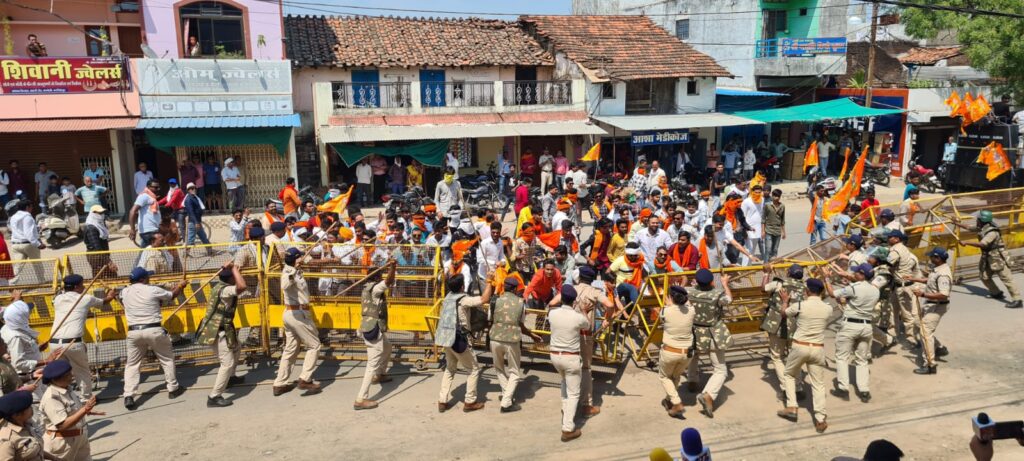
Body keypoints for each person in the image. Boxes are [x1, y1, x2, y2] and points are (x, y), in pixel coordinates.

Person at [119, 267, 187, 409]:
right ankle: (173, 388)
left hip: (134, 332)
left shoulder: (124, 292)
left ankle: (128, 395)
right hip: (153, 329)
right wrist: (180, 285)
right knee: (166, 359)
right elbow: (172, 295)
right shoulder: (152, 289)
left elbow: (125, 302)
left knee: (132, 364)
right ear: (143, 279)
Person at [776, 278, 831, 433]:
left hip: (800, 346)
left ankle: (792, 407)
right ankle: (820, 419)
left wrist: (785, 301)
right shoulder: (828, 308)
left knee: (789, 374)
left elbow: (784, 313)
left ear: (807, 291)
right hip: (818, 348)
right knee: (818, 384)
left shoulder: (799, 305)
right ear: (821, 292)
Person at [51, 273, 115, 399]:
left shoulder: (57, 299)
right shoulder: (85, 299)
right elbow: (104, 302)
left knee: (59, 373)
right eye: (81, 285)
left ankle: (62, 398)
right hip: (73, 342)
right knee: (82, 371)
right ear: (76, 287)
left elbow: (58, 294)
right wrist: (111, 295)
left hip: (54, 342)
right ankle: (86, 399)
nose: (84, 286)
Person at [435, 273, 492, 413]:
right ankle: (470, 401)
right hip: (459, 340)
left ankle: (442, 400)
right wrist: (489, 281)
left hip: (446, 339)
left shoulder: (447, 297)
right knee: (473, 370)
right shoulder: (463, 300)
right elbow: (484, 299)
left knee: (450, 368)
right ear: (462, 286)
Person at [825, 263, 880, 402]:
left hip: (850, 325)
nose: (854, 274)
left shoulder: (854, 288)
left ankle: (843, 388)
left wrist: (826, 279)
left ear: (861, 274)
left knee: (842, 357)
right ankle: (864, 390)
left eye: (857, 272)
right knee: (862, 360)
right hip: (866, 326)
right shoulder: (875, 290)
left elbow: (832, 293)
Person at [272, 248, 323, 396]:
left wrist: (297, 268)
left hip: (292, 314)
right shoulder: (288, 272)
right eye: (300, 257)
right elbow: (285, 286)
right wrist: (294, 271)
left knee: (291, 349)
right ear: (296, 259)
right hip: (297, 314)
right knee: (315, 345)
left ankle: (280, 383)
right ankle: (305, 379)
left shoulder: (296, 270)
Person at [686, 269, 734, 418]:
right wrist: (725, 284)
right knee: (720, 369)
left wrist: (694, 287)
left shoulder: (689, 292)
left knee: (694, 356)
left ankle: (692, 380)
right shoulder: (718, 293)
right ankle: (708, 395)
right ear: (711, 282)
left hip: (695, 332)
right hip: (713, 333)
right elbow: (729, 299)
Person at [490, 278, 542, 413]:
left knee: (499, 368)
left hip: (495, 338)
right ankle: (506, 402)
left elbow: (490, 319)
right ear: (515, 289)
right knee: (514, 372)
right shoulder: (521, 303)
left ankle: (507, 394)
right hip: (512, 340)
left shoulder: (494, 300)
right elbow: (521, 324)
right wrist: (532, 335)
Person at [953, 210, 1023, 308]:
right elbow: (969, 228)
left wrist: (967, 243)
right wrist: (957, 224)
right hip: (987, 257)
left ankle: (1017, 300)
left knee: (1006, 278)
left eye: (978, 219)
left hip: (997, 258)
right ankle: (996, 292)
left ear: (983, 220)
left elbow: (983, 244)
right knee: (984, 276)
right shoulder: (982, 228)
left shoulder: (992, 232)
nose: (976, 221)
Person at [547, 285, 589, 442]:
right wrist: (583, 309)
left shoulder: (553, 314)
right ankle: (568, 428)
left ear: (561, 298)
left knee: (564, 384)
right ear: (574, 301)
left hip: (555, 356)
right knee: (573, 393)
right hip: (570, 358)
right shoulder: (577, 317)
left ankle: (566, 411)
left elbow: (551, 307)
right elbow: (587, 325)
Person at [40, 360, 102, 460]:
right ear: (55, 379)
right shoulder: (51, 397)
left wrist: (87, 411)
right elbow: (62, 425)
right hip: (62, 443)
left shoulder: (67, 389)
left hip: (79, 437)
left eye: (70, 372)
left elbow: (72, 409)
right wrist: (85, 410)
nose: (72, 376)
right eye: (67, 375)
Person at [761, 264, 806, 400]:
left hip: (776, 324)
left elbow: (763, 288)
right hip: (797, 326)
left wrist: (765, 273)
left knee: (777, 357)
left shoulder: (779, 284)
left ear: (788, 272)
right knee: (794, 358)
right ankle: (797, 387)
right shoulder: (805, 288)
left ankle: (787, 388)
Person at [354, 264, 395, 410]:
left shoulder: (366, 286)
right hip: (373, 328)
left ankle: (380, 374)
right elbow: (389, 281)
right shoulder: (376, 289)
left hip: (369, 325)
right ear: (377, 277)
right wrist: (393, 267)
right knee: (372, 363)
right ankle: (361, 398)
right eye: (381, 276)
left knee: (387, 347)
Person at [909, 247, 952, 375]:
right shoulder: (938, 269)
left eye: (932, 257)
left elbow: (944, 294)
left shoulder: (943, 274)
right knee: (917, 323)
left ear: (937, 258)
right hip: (931, 305)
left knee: (925, 334)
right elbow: (931, 280)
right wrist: (914, 279)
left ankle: (929, 365)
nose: (930, 259)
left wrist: (922, 294)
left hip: (937, 306)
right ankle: (939, 348)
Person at [657, 285, 694, 419]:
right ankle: (669, 400)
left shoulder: (665, 311)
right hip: (687, 353)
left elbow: (661, 319)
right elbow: (688, 305)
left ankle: (677, 402)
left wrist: (669, 305)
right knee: (675, 377)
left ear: (670, 297)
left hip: (670, 351)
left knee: (664, 377)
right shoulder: (691, 310)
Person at [886, 230, 922, 347]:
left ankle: (911, 338)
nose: (888, 239)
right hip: (896, 286)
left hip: (905, 287)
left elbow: (916, 274)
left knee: (907, 315)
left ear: (897, 239)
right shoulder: (901, 251)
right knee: (893, 311)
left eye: (890, 237)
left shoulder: (903, 254)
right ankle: (892, 335)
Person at [8, 200, 45, 284]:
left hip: (16, 245)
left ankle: (11, 284)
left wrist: (37, 227)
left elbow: (16, 229)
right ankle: (42, 283)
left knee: (18, 266)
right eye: (31, 207)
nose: (32, 208)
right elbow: (28, 234)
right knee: (37, 264)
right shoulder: (27, 217)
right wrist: (39, 244)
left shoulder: (13, 217)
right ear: (27, 207)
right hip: (28, 244)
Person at [0, 390, 44, 459]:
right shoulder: (7, 440)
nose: (31, 408)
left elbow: (36, 449)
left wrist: (54, 458)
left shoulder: (27, 424)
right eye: (28, 407)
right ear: (17, 415)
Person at [183, 183, 210, 248]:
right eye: (192, 188)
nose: (194, 189)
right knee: (190, 241)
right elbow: (191, 212)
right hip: (193, 223)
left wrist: (198, 222)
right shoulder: (188, 199)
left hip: (197, 222)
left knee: (204, 237)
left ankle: (210, 251)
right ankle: (186, 254)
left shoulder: (195, 197)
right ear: (188, 190)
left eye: (195, 188)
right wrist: (196, 222)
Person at [763, 188, 786, 261]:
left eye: (778, 196)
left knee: (775, 250)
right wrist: (762, 231)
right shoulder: (767, 205)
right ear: (772, 196)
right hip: (768, 230)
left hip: (777, 231)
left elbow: (782, 220)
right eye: (775, 196)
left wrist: (784, 232)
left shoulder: (782, 206)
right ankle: (766, 265)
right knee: (768, 249)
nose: (777, 198)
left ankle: (773, 266)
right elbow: (763, 219)